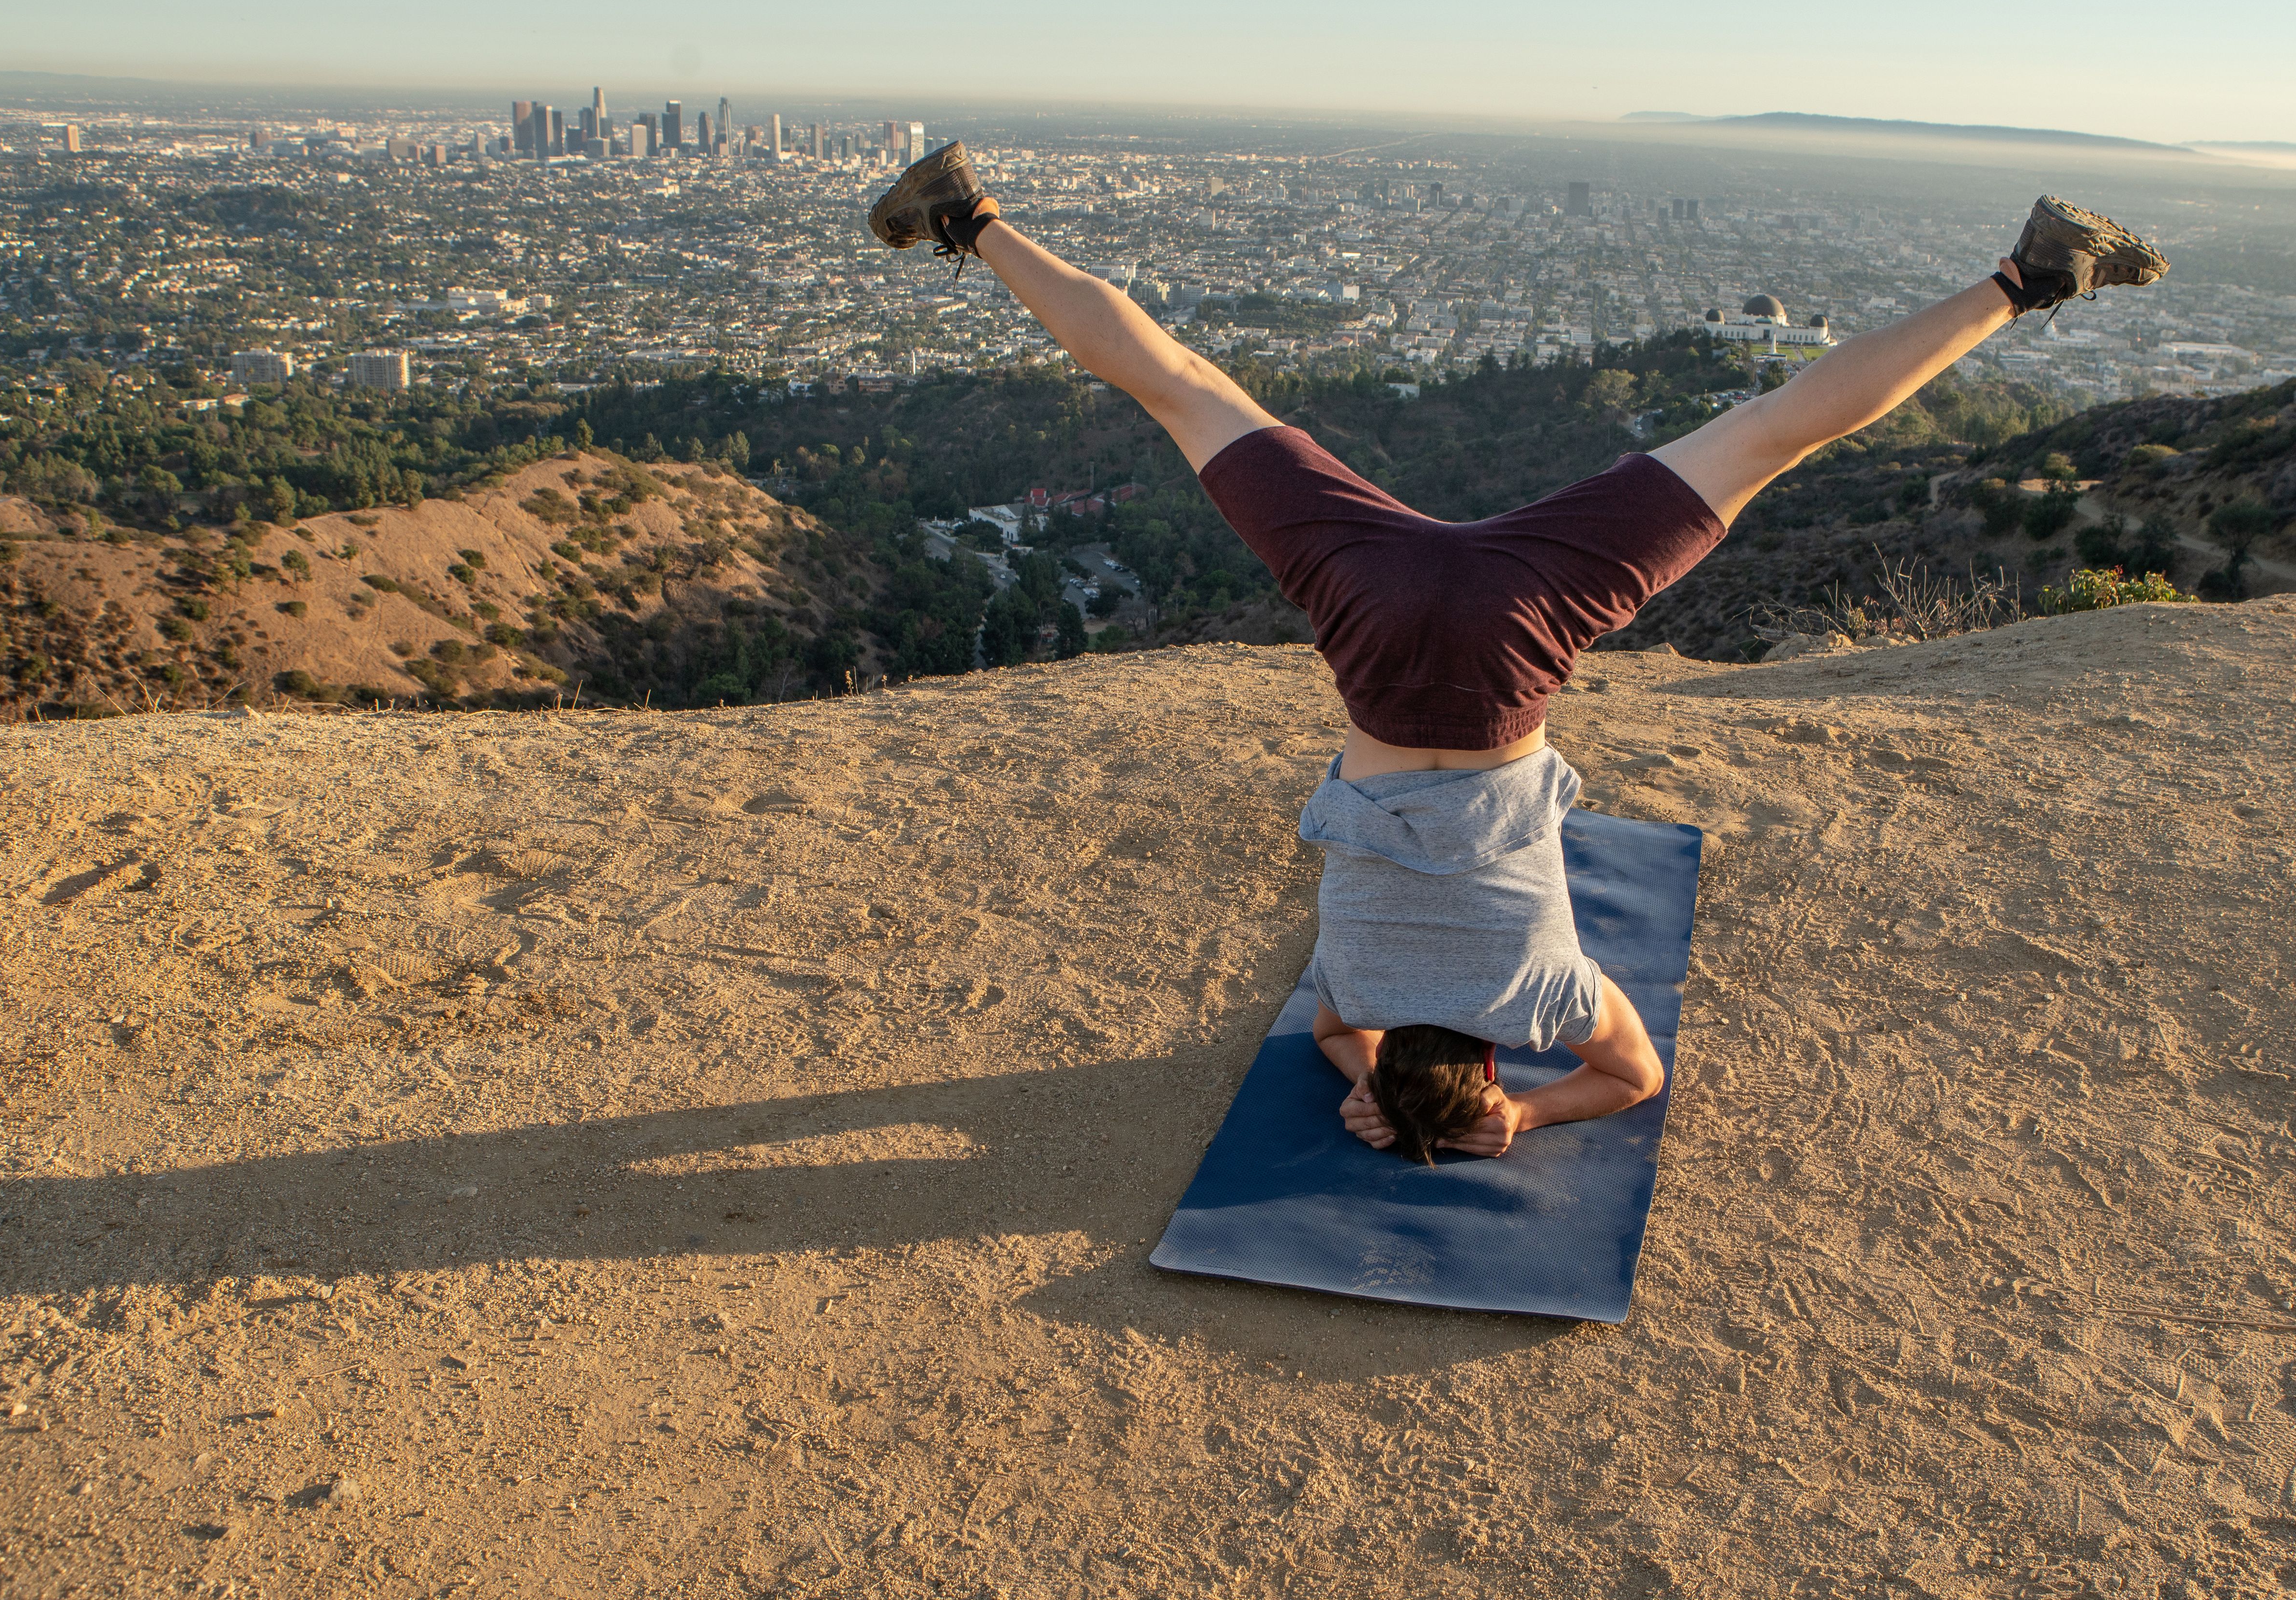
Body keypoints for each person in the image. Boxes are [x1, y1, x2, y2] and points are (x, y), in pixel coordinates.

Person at [867, 147, 2166, 1162]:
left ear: (1490, 1067)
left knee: (1771, 435)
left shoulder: (1544, 998)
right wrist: (1382, 1089)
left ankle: (2029, 278)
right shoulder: (1359, 989)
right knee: (1187, 389)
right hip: (1373, 620)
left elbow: (1630, 1079)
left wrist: (1526, 1119)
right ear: (1394, 1067)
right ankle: (968, 213)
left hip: (1514, 645)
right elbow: (1332, 1035)